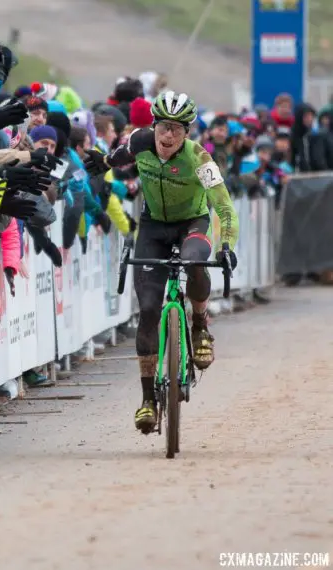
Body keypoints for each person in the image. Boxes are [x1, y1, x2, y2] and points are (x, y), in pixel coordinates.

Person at [83, 91, 239, 434]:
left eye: (177, 130)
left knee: (195, 261)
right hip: (153, 226)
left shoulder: (201, 159)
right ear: (153, 127)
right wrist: (103, 163)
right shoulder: (139, 142)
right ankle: (148, 400)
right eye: (163, 128)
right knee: (150, 308)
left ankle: (199, 325)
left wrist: (226, 244)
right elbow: (116, 156)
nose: (168, 136)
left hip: (192, 224)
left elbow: (224, 207)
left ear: (187, 133)